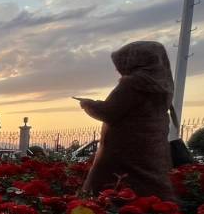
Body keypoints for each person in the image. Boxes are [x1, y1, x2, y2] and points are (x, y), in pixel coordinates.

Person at [76, 41, 177, 200]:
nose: (118, 69)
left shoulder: (133, 83)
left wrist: (88, 104)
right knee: (149, 184)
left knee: (110, 189)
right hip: (152, 145)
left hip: (124, 147)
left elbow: (109, 112)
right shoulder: (162, 84)